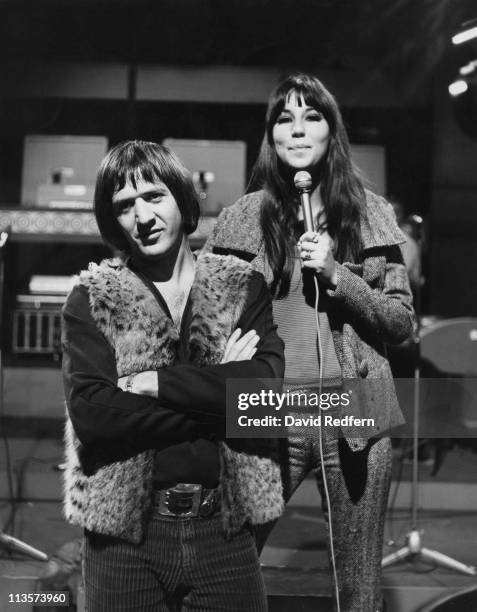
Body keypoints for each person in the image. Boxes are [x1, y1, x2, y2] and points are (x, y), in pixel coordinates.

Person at [204, 73, 415, 612]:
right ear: (271, 136)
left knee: (358, 584)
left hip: (356, 407)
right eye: (284, 118)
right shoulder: (243, 216)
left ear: (331, 132)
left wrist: (339, 275)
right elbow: (202, 314)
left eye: (312, 116)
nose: (297, 129)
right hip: (271, 406)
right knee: (227, 566)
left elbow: (399, 322)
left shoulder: (369, 212)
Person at [61, 140, 285, 611]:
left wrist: (159, 383)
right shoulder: (95, 297)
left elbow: (264, 394)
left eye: (154, 197)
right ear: (114, 221)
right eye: (125, 206)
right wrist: (217, 392)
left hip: (223, 528)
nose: (142, 216)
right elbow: (97, 419)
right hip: (124, 538)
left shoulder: (241, 285)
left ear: (182, 200)